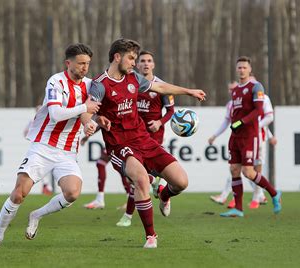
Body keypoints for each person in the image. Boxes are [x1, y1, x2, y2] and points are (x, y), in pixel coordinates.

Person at [82, 38, 206, 248]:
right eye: (131, 58)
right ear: (117, 57)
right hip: (119, 145)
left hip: (144, 140)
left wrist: (189, 91)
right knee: (141, 179)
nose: (134, 63)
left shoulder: (134, 79)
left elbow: (160, 86)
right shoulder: (100, 84)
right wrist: (91, 122)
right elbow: (87, 108)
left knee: (181, 182)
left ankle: (164, 195)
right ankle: (151, 236)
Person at [0, 43, 100, 248]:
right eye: (81, 63)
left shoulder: (91, 85)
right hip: (43, 146)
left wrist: (91, 122)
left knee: (73, 193)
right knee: (19, 192)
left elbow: (88, 112)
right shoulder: (56, 81)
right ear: (68, 63)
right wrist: (85, 108)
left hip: (68, 151)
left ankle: (36, 215)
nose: (85, 67)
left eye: (88, 64)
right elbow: (56, 114)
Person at [116, 50, 175, 227]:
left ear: (153, 64)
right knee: (135, 176)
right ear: (137, 64)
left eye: (149, 61)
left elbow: (171, 110)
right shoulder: (130, 83)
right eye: (142, 61)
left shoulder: (161, 86)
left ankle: (130, 214)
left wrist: (159, 121)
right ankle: (157, 188)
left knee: (139, 178)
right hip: (133, 136)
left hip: (153, 137)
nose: (146, 64)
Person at [219, 56, 282, 218]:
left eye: (244, 67)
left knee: (248, 172)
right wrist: (235, 125)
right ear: (236, 69)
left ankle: (274, 193)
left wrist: (241, 122)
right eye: (239, 67)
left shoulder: (256, 86)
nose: (241, 70)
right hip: (235, 136)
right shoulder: (235, 91)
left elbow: (259, 111)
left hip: (249, 136)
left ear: (250, 69)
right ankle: (238, 209)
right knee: (234, 169)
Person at [209, 80, 277, 209]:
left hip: (255, 138)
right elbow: (227, 122)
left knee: (251, 171)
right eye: (229, 89)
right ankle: (235, 202)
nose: (231, 92)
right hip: (237, 137)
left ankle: (262, 195)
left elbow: (264, 118)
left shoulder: (262, 97)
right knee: (235, 169)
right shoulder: (232, 103)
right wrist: (214, 136)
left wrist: (270, 136)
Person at [23, 104, 53, 196]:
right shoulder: (34, 120)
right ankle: (46, 186)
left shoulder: (48, 119)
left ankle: (47, 186)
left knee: (46, 166)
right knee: (40, 166)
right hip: (39, 146)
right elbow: (25, 133)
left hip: (46, 146)